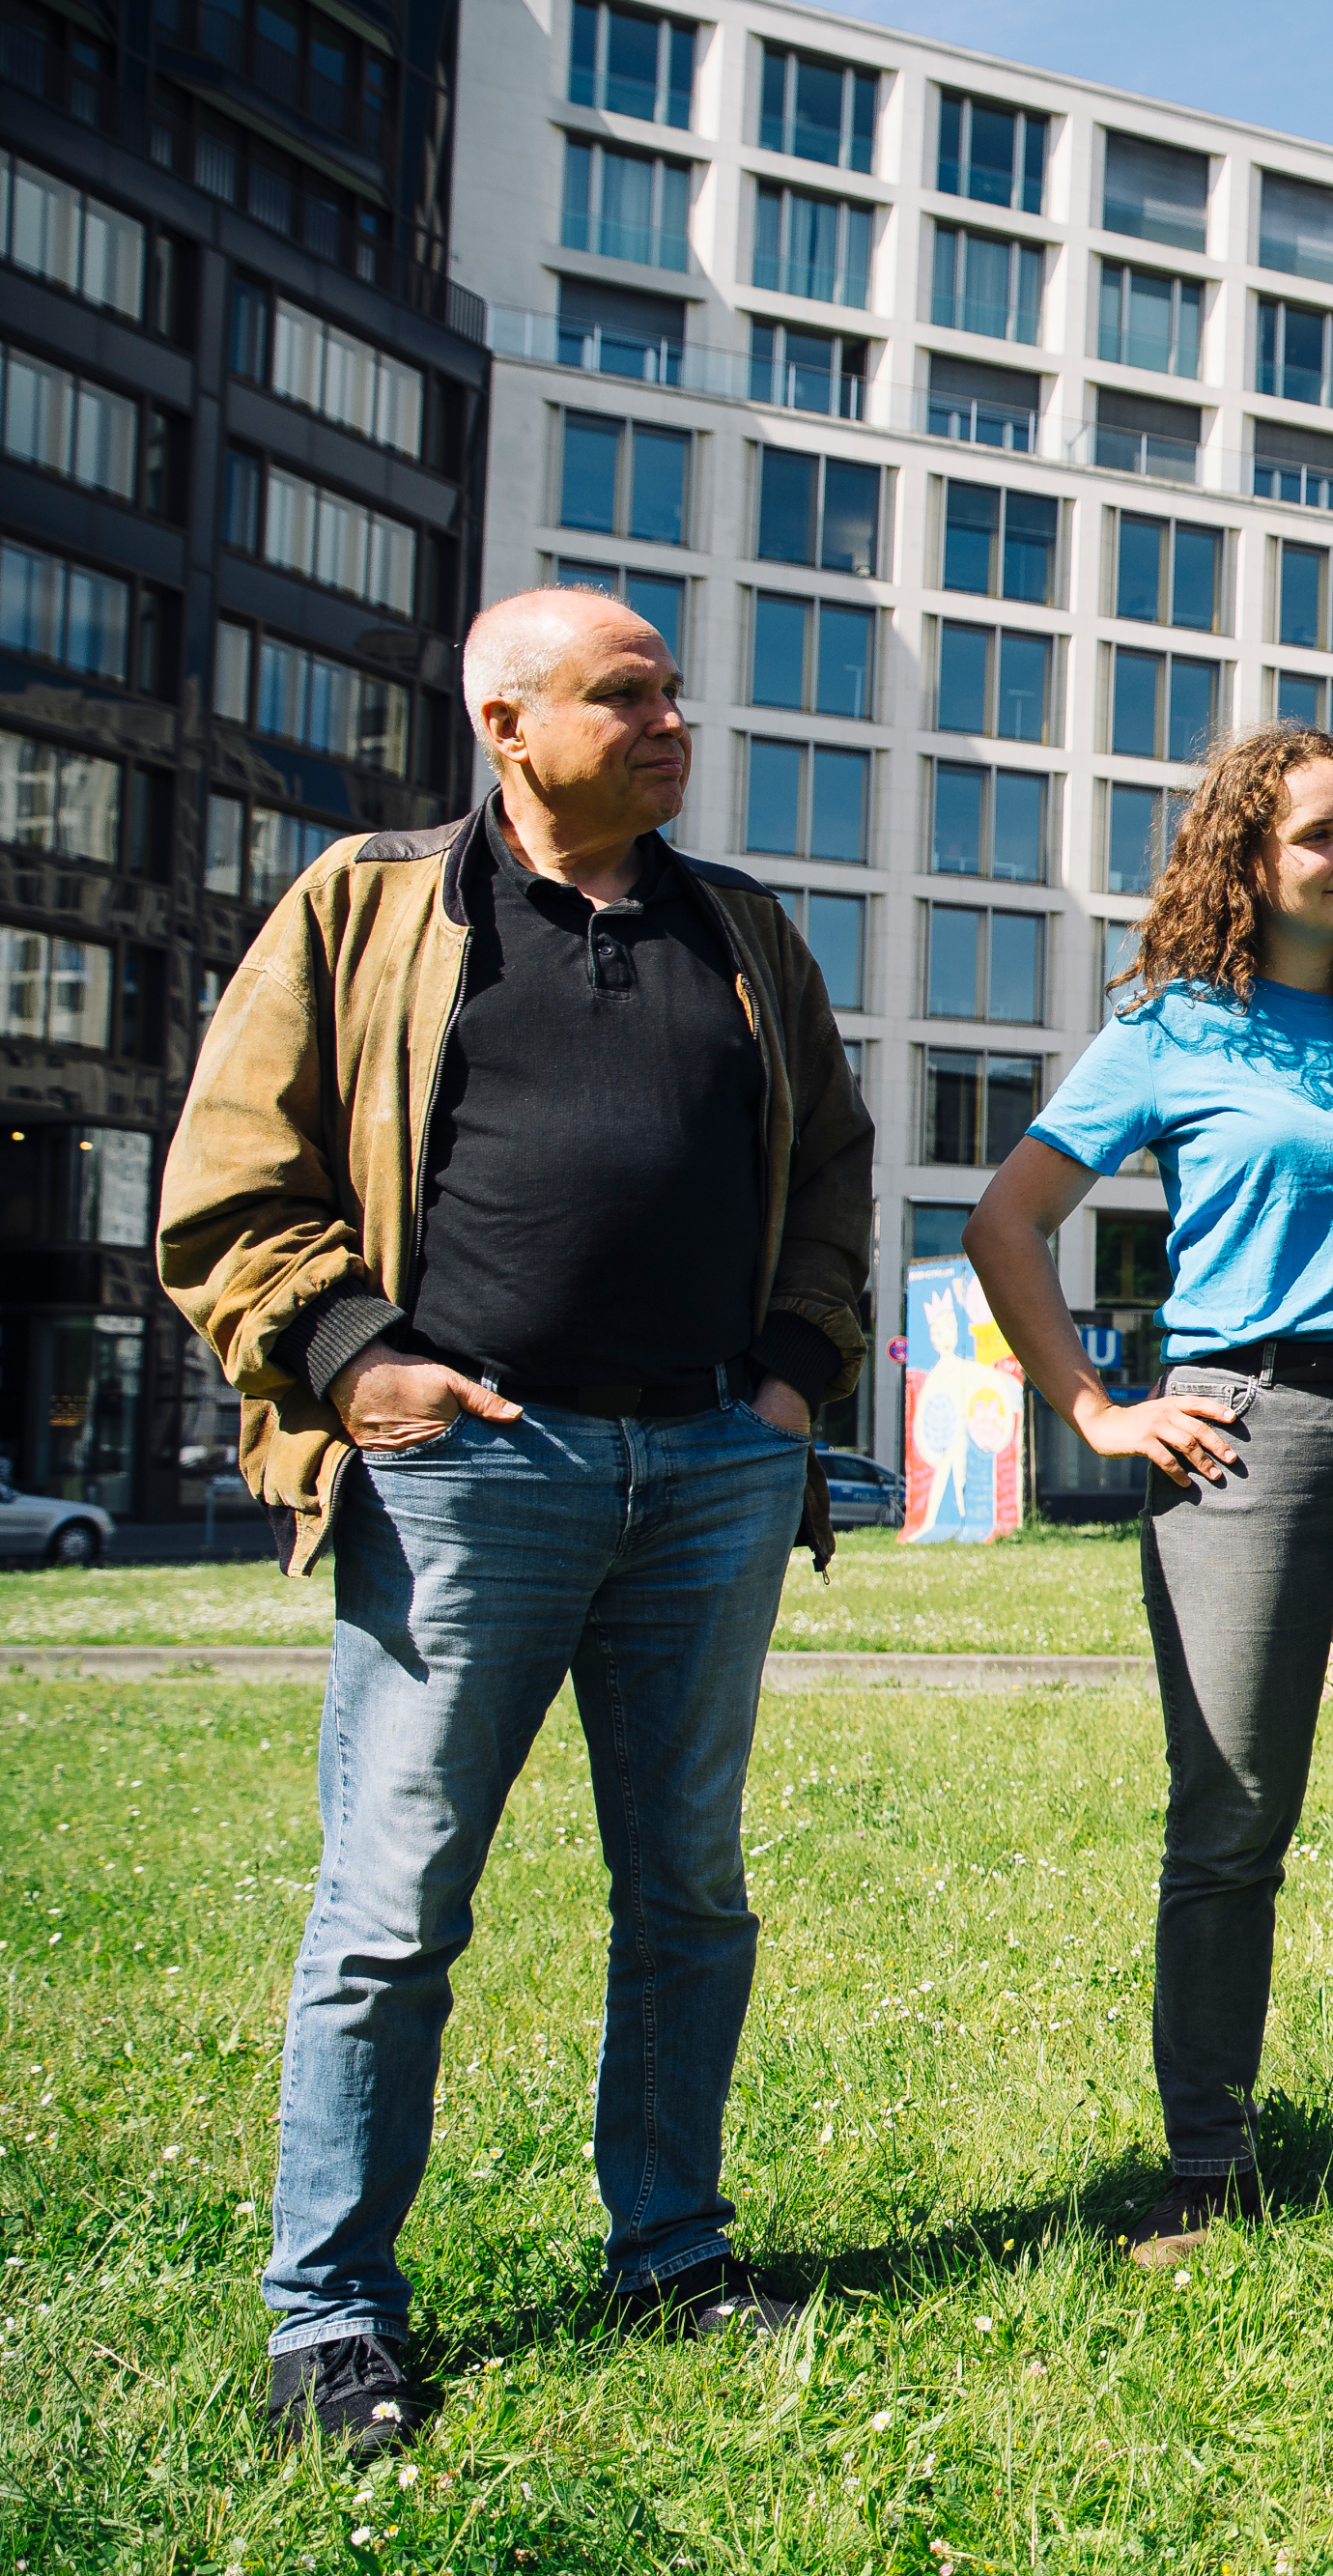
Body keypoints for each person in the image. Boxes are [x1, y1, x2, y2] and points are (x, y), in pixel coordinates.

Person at [159, 589, 872, 2458]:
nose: (671, 721)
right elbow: (233, 1171)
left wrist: (792, 1380)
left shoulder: (743, 933)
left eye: (673, 694)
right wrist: (346, 1352)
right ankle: (330, 2313)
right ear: (505, 723)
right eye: (624, 696)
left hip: (709, 1468)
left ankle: (669, 2247)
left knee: (689, 1894)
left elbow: (839, 1173)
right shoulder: (370, 905)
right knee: (393, 1909)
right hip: (472, 1473)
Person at [963, 723, 1333, 2272]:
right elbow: (1010, 1219)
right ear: (1247, 857)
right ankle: (1204, 2164)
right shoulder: (1174, 1029)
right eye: (1321, 836)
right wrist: (1098, 1404)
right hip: (1243, 1428)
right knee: (1231, 1813)